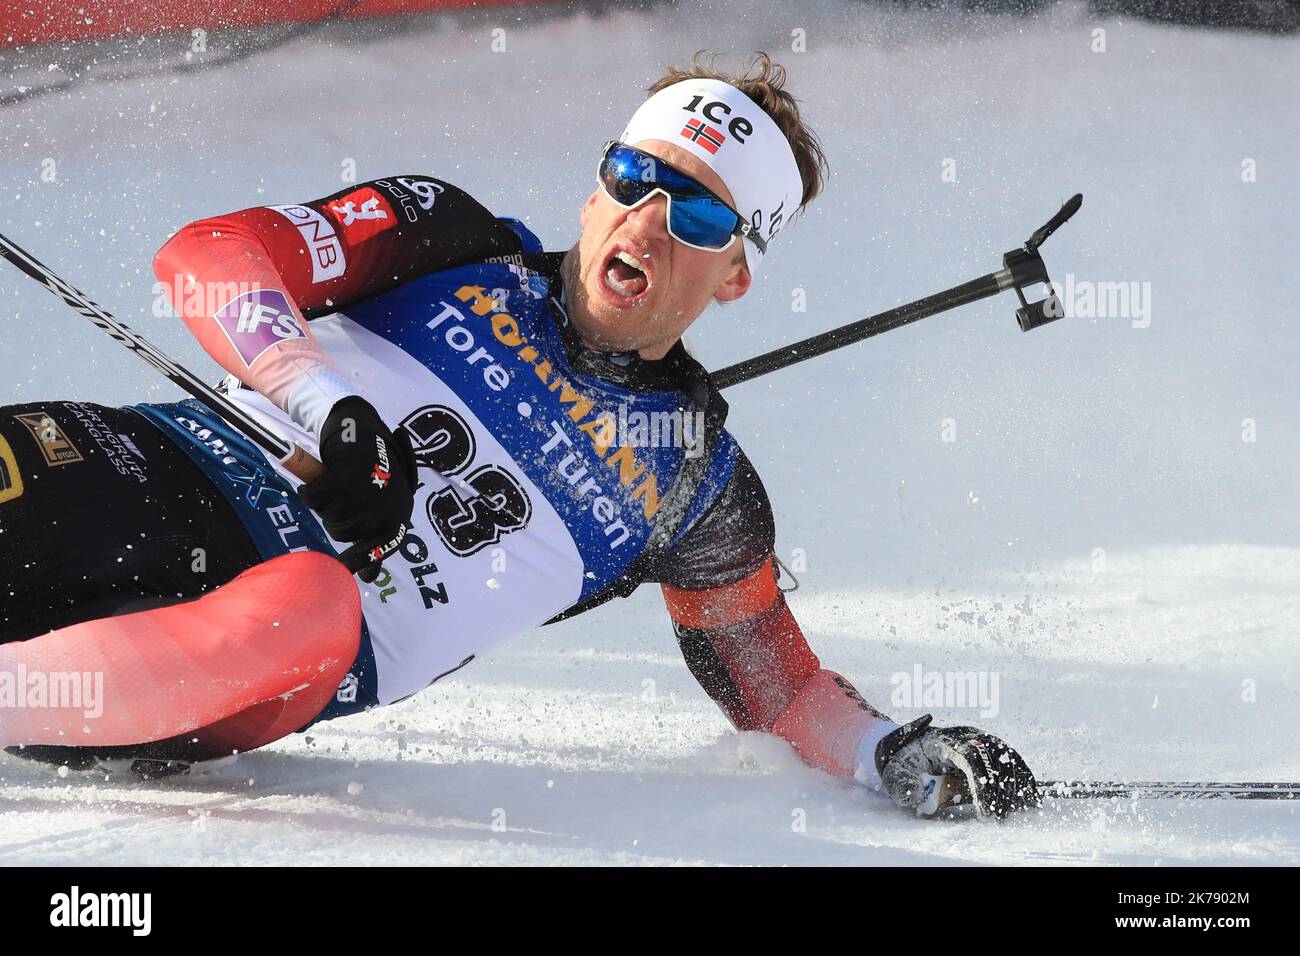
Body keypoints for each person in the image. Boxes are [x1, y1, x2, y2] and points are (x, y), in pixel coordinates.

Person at [0, 53, 1037, 819]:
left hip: (255, 657)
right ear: (595, 189)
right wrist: (321, 400)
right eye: (634, 177)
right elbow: (211, 254)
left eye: (701, 217)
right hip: (136, 467)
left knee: (310, 599)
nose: (646, 222)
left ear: (735, 274)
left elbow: (775, 680)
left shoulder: (695, 483)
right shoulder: (447, 237)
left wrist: (891, 748)